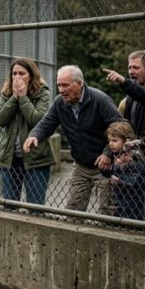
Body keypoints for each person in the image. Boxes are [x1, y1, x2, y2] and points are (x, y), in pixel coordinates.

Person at [23, 65, 122, 214]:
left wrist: (108, 153)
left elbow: (120, 126)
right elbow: (46, 123)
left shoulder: (100, 100)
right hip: (81, 166)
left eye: (65, 85)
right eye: (59, 85)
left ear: (79, 83)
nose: (61, 89)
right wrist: (34, 135)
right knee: (73, 211)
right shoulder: (60, 102)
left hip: (104, 165)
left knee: (107, 213)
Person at [103, 50, 145, 223]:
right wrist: (111, 152)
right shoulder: (130, 96)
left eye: (136, 67)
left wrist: (123, 81)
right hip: (131, 157)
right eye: (129, 67)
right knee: (133, 201)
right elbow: (124, 129)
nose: (131, 71)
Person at [0, 58, 54, 204]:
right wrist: (14, 97)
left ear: (31, 75)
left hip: (36, 159)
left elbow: (37, 120)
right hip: (10, 159)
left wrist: (23, 97)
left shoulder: (43, 93)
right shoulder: (7, 93)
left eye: (22, 73)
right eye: (14, 73)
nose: (17, 77)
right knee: (9, 205)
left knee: (35, 206)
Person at [103, 121, 145, 220]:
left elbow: (136, 178)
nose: (111, 144)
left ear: (126, 141)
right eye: (109, 141)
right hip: (119, 199)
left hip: (133, 202)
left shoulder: (134, 155)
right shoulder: (116, 154)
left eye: (114, 140)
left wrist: (120, 176)